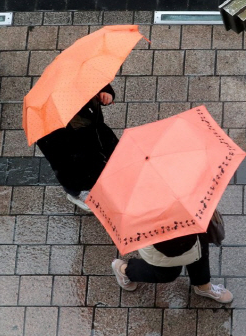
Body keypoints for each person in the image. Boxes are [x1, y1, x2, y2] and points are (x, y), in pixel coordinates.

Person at [37, 84, 118, 212]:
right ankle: (77, 194)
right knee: (78, 176)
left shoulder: (80, 81)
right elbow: (61, 164)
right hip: (77, 152)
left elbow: (99, 84)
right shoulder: (51, 129)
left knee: (109, 158)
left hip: (98, 134)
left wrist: (106, 92)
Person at [111, 232, 233, 304]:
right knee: (168, 272)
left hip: (188, 231)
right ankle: (124, 270)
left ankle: (203, 285)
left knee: (200, 251)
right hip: (160, 242)